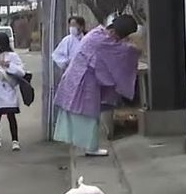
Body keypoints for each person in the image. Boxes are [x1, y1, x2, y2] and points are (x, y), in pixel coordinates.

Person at [52, 14, 141, 157]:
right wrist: (135, 50)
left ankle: (89, 145)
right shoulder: (103, 40)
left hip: (78, 77)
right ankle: (91, 147)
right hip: (84, 80)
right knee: (89, 112)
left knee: (85, 112)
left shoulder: (97, 33)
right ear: (114, 32)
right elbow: (124, 52)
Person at [0, 31, 27, 151]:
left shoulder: (13, 56)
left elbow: (21, 72)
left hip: (8, 89)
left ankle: (15, 140)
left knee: (11, 115)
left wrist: (8, 65)